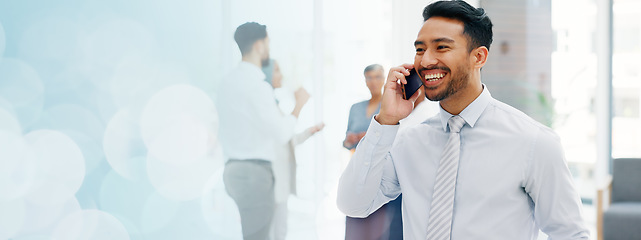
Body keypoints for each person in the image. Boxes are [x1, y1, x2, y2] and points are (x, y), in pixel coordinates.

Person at [336, 1, 590, 239]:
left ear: (478, 57)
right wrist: (386, 119)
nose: (425, 61)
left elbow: (570, 234)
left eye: (441, 47)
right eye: (420, 49)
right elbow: (353, 204)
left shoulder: (534, 142)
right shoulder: (407, 142)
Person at [216, 22, 309, 240]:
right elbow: (282, 134)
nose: (268, 48)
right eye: (268, 42)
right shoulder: (257, 85)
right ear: (259, 45)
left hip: (233, 170)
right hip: (254, 174)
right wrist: (298, 106)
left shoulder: (227, 82)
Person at [261, 59, 325, 240]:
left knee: (280, 230)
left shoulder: (273, 105)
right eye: (277, 71)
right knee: (273, 231)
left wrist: (310, 132)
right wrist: (299, 104)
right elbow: (282, 136)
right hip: (270, 182)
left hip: (278, 182)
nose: (281, 75)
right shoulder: (265, 106)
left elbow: (287, 140)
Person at [343, 64, 386, 151]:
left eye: (377, 77)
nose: (373, 82)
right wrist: (349, 141)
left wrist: (370, 136)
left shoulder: (389, 107)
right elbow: (346, 143)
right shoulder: (355, 108)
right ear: (365, 81)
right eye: (369, 78)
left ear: (383, 79)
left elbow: (395, 137)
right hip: (357, 159)